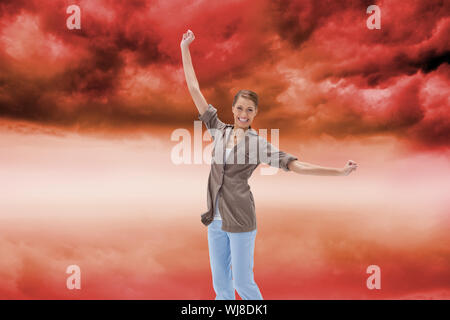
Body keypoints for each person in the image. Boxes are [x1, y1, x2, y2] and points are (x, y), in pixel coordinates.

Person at [180, 29, 358, 300]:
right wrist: (185, 48)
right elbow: (194, 88)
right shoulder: (218, 128)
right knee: (222, 289)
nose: (243, 114)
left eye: (249, 110)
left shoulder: (258, 144)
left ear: (255, 114)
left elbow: (296, 165)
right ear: (233, 108)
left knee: (243, 284)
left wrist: (340, 172)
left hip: (240, 221)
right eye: (239, 108)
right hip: (214, 221)